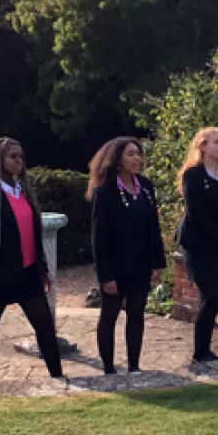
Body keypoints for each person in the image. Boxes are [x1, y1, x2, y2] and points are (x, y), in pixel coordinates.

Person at [0, 137, 64, 381]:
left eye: (21, 156)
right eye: (13, 156)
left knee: (45, 325)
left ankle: (58, 378)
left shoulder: (24, 192)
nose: (19, 161)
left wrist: (42, 268)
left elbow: (34, 235)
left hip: (28, 274)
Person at [88, 137, 166, 375]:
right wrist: (106, 276)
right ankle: (109, 368)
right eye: (130, 154)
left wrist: (158, 262)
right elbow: (99, 237)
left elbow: (154, 228)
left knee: (137, 314)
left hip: (141, 264)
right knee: (109, 315)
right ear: (117, 159)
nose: (136, 159)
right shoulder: (105, 191)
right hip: (116, 266)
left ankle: (134, 366)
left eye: (138, 154)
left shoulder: (146, 187)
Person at [176, 127, 218, 365]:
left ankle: (204, 350)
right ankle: (200, 352)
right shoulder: (193, 175)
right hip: (199, 244)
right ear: (202, 146)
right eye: (216, 142)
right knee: (211, 295)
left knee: (215, 296)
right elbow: (196, 214)